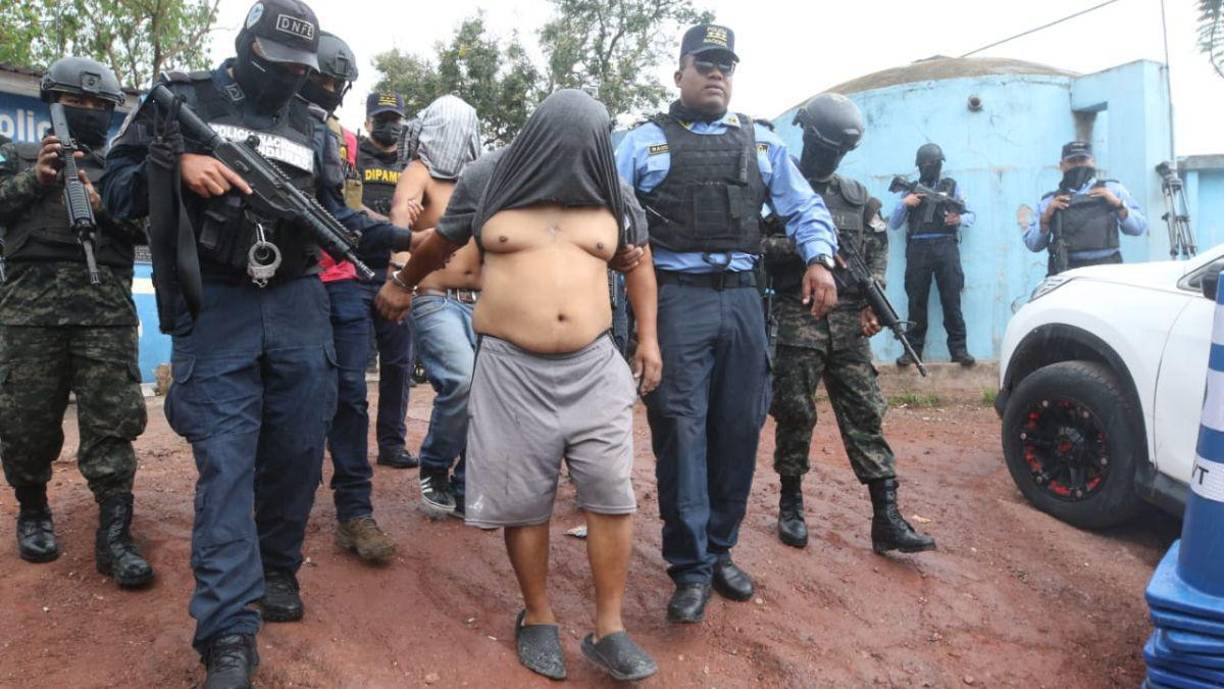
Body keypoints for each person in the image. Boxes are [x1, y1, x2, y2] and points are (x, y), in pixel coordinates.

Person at [101, 2, 415, 687]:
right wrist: (177, 166)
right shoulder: (183, 101)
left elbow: (337, 216)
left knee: (300, 453)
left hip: (300, 304)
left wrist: (407, 240)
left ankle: (276, 567)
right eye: (281, 63)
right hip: (217, 302)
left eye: (303, 68)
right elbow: (113, 189)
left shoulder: (313, 126)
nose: (293, 79)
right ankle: (228, 630)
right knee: (226, 464)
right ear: (247, 47)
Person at [376, 89, 662, 682]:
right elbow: (442, 241)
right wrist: (403, 282)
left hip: (593, 366)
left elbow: (638, 264)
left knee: (611, 494)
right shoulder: (490, 178)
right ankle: (538, 614)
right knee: (524, 500)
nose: (576, 156)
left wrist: (649, 341)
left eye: (589, 144)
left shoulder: (611, 189)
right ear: (537, 137)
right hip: (511, 370)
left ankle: (610, 628)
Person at [616, 24, 839, 624]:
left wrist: (818, 257)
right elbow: (606, 216)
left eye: (726, 65)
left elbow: (803, 206)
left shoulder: (762, 144)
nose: (717, 73)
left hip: (744, 299)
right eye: (704, 63)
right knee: (682, 432)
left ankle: (720, 551)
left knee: (739, 427)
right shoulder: (640, 144)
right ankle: (688, 568)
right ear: (679, 73)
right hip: (676, 300)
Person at [0, 57, 153, 587]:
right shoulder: (17, 157)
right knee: (26, 423)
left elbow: (144, 232)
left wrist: (102, 204)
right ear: (52, 102)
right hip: (29, 316)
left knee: (112, 423)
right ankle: (34, 510)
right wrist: (33, 181)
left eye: (98, 106)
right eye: (76, 101)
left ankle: (115, 535)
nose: (86, 112)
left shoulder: (122, 172)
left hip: (104, 314)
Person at [767, 93, 936, 556]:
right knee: (795, 412)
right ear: (806, 137)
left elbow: (879, 249)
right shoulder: (779, 190)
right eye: (825, 145)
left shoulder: (858, 197)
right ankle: (791, 503)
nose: (831, 156)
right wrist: (806, 251)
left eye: (839, 149)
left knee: (865, 413)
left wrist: (873, 302)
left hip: (847, 323)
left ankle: (887, 517)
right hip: (797, 316)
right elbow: (756, 247)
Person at [298, 31, 397, 564]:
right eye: (322, 79)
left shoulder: (346, 142)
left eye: (338, 84)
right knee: (285, 395)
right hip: (285, 285)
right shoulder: (264, 125)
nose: (329, 90)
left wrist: (403, 241)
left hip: (343, 283)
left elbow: (347, 214)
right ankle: (267, 504)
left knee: (351, 396)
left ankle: (355, 512)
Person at [389, 94, 482, 517]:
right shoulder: (420, 171)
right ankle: (436, 465)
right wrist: (399, 279)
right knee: (461, 382)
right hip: (435, 299)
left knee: (489, 396)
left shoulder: (482, 177)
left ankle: (466, 484)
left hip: (484, 303)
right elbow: (398, 218)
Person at [350, 91, 419, 470]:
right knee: (354, 365)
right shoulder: (353, 157)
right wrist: (394, 224)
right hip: (356, 270)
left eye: (395, 118)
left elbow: (424, 220)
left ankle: (392, 445)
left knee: (398, 364)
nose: (390, 125)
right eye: (382, 117)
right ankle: (351, 446)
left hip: (398, 273)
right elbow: (348, 206)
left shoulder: (413, 166)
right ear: (368, 121)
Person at [888, 143, 975, 367]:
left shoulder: (951, 186)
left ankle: (959, 351)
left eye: (933, 164)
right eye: (925, 164)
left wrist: (958, 219)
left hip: (946, 247)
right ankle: (912, 352)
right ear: (919, 167)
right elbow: (895, 224)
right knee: (916, 302)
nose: (930, 167)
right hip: (918, 248)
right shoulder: (910, 189)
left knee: (951, 299)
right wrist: (904, 204)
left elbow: (971, 215)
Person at [1024, 141, 1147, 276]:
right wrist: (1046, 218)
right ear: (1061, 166)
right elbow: (1033, 245)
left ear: (1092, 161)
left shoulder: (1113, 189)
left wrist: (1118, 204)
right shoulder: (1049, 201)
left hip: (1109, 271)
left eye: (1083, 159)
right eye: (1072, 161)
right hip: (1068, 272)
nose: (1078, 165)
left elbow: (1138, 228)